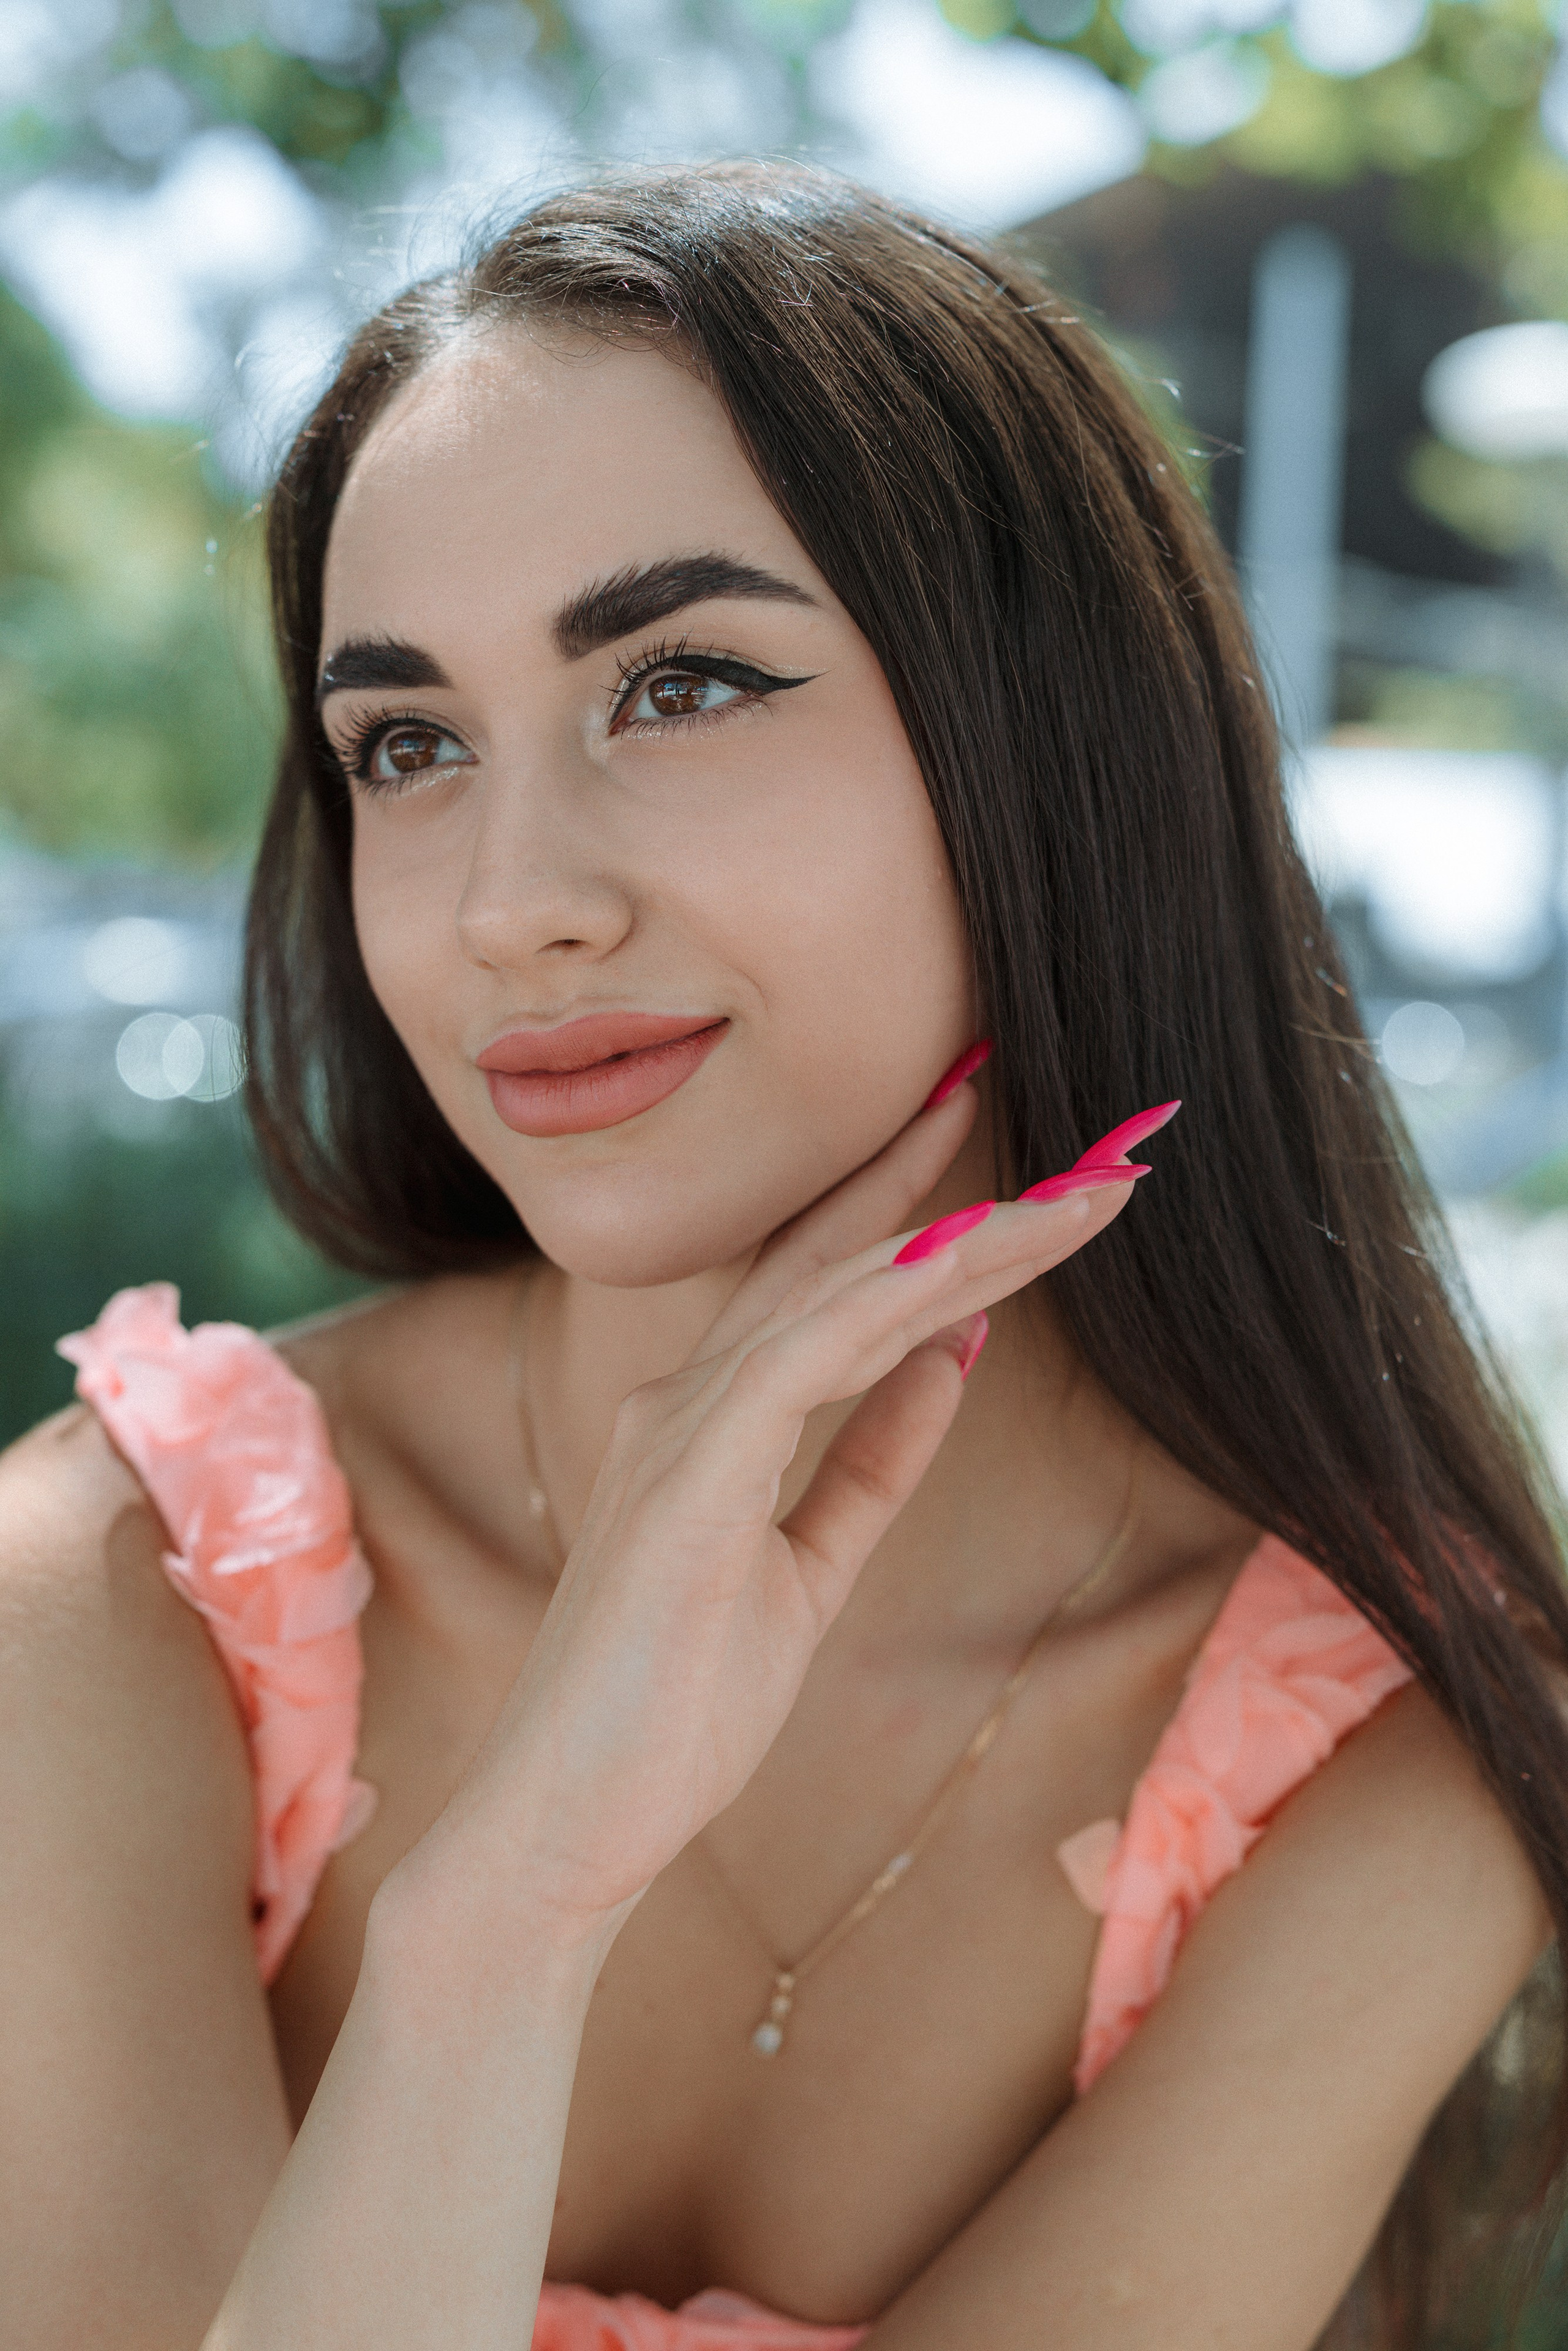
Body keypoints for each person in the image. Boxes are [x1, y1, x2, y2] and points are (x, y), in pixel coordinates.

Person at [4, 161, 1565, 2351]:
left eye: (685, 684)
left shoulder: (1380, 1767)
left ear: (1054, 749)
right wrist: (509, 1913)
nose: (506, 902)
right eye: (412, 745)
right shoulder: (110, 1591)